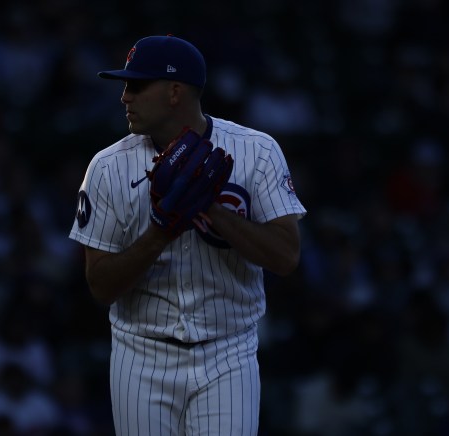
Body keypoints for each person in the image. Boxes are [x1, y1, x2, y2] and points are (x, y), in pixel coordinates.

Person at [68, 35, 307, 436]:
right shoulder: (107, 167)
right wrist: (162, 231)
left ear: (175, 91)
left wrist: (210, 208)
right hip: (140, 353)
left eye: (137, 85)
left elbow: (286, 257)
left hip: (228, 352)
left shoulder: (257, 151)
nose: (125, 96)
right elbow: (100, 286)